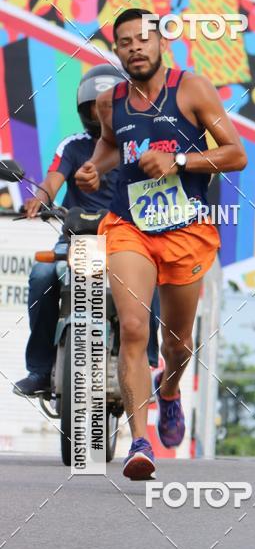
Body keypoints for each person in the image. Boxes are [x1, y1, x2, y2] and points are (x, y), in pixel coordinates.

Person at [75, 8, 246, 481]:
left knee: (177, 343)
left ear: (159, 43)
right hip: (129, 225)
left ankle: (169, 392)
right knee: (133, 327)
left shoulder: (191, 88)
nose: (135, 47)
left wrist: (179, 161)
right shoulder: (111, 102)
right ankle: (140, 441)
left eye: (142, 39)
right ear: (117, 51)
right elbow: (110, 146)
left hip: (184, 229)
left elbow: (236, 154)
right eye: (125, 41)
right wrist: (95, 167)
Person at [13, 65, 160, 398]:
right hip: (78, 239)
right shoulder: (74, 146)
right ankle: (38, 370)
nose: (101, 112)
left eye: (107, 106)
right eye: (95, 106)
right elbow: (53, 179)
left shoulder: (137, 146)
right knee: (42, 275)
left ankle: (148, 365)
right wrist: (39, 198)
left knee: (153, 281)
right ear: (84, 110)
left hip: (126, 238)